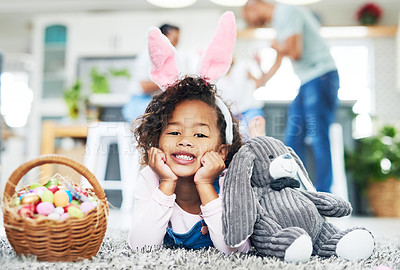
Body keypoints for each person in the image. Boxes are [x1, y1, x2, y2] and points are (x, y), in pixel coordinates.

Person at [127, 76, 250, 254]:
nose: (185, 141)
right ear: (156, 141)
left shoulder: (229, 182)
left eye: (200, 135)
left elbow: (236, 251)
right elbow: (140, 247)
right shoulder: (150, 178)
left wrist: (206, 185)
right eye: (174, 132)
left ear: (221, 152)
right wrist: (166, 183)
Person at [243, 0, 340, 193]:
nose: (250, 22)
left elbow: (295, 52)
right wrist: (260, 75)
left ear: (254, 5)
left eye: (248, 17)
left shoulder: (287, 12)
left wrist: (276, 46)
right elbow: (277, 62)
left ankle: (324, 193)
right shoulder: (280, 22)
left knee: (317, 136)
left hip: (320, 76)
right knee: (294, 137)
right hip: (307, 81)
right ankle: (298, 190)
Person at [121, 24, 180, 122]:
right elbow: (145, 86)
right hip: (141, 103)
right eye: (174, 39)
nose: (176, 43)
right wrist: (171, 82)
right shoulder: (146, 56)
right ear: (164, 37)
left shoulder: (170, 58)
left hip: (154, 103)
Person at [216, 58, 266, 140]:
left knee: (255, 131)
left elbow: (260, 83)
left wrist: (259, 66)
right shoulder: (215, 76)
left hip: (249, 110)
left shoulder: (242, 67)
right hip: (230, 115)